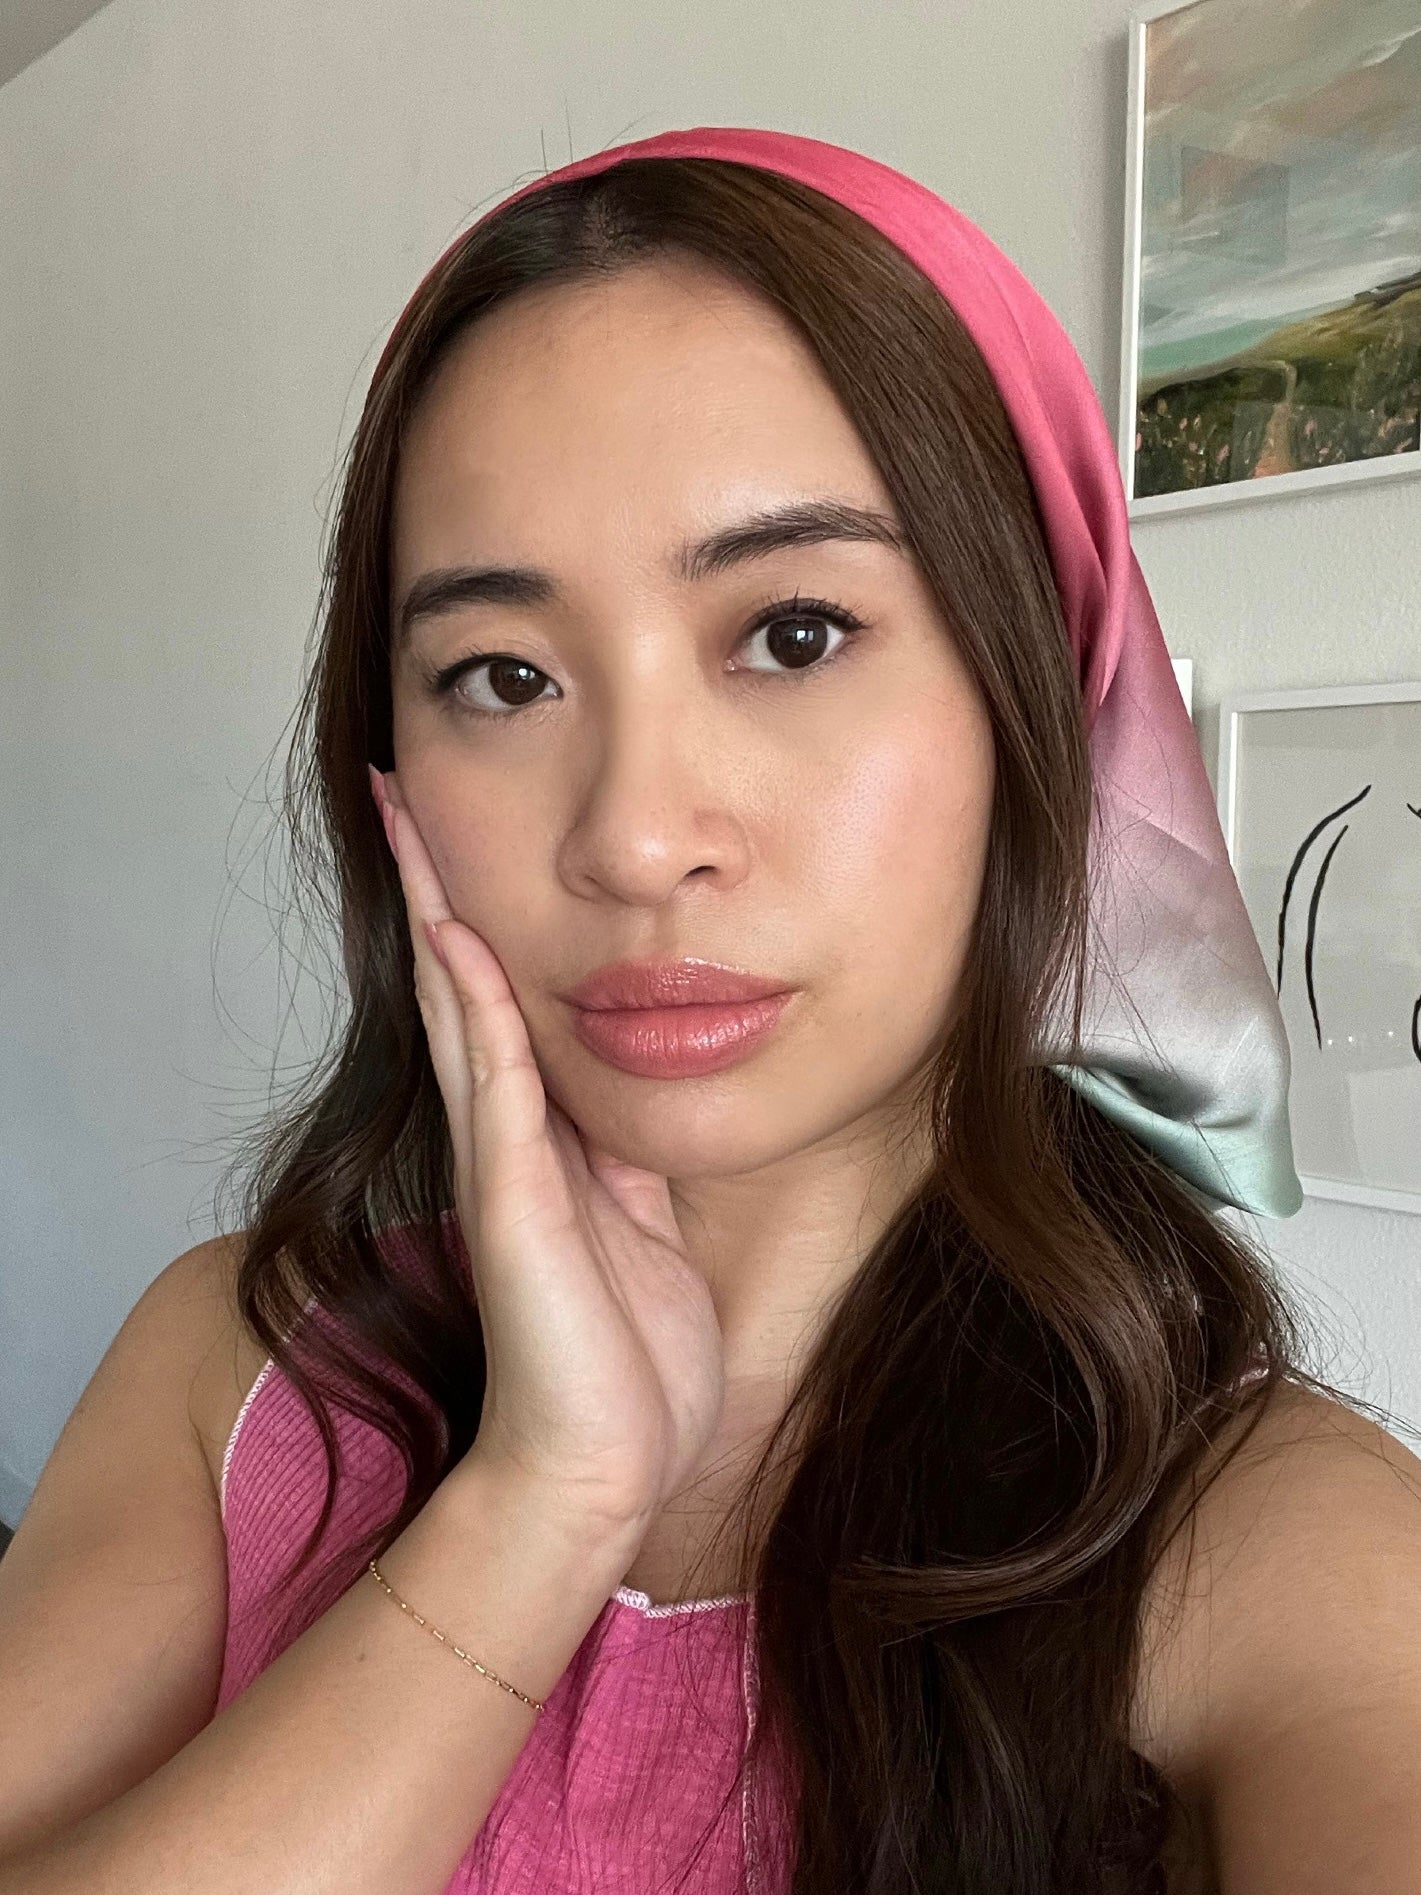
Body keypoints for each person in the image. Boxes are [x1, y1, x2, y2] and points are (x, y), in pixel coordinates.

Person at [1, 125, 1418, 1895]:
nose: (634, 835)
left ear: (1038, 697)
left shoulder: (1276, 1551)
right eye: (501, 677)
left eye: (795, 634)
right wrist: (539, 1506)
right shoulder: (238, 1370)